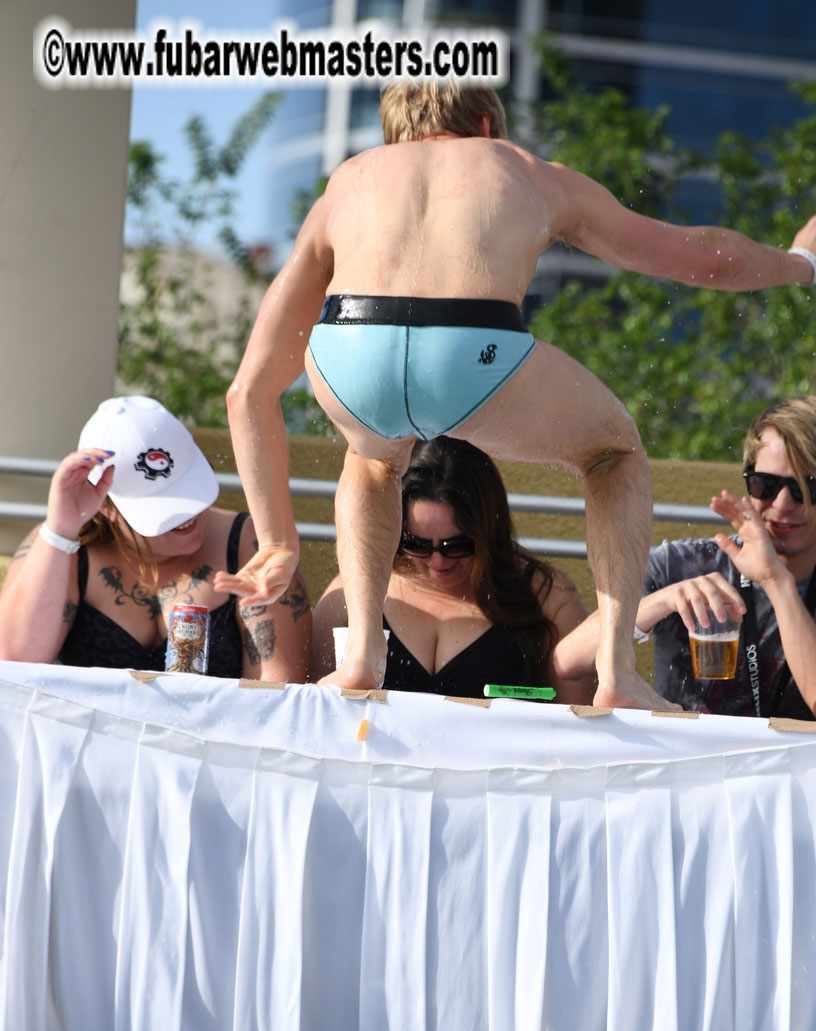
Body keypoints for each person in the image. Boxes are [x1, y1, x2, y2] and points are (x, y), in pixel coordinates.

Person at [215, 79, 816, 712]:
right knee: (613, 453)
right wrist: (801, 262)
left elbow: (247, 390)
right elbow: (699, 258)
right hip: (469, 344)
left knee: (371, 459)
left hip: (347, 354)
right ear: (484, 124)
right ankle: (616, 673)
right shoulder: (523, 169)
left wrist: (280, 539)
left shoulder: (349, 181)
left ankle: (363, 656)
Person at [0, 396, 311, 681]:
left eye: (187, 490)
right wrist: (59, 531)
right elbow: (14, 665)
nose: (188, 514)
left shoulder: (248, 544)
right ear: (106, 506)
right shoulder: (65, 549)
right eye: (162, 507)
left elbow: (278, 693)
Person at [553, 396, 816, 719]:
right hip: (686, 763)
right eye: (767, 485)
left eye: (806, 489)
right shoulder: (684, 564)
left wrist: (776, 580)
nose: (783, 504)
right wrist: (662, 601)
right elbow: (567, 660)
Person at [310, 436, 596, 704]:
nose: (438, 562)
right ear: (396, 531)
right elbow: (308, 700)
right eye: (417, 544)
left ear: (488, 531)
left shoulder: (548, 598)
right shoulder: (357, 589)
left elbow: (580, 723)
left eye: (457, 545)